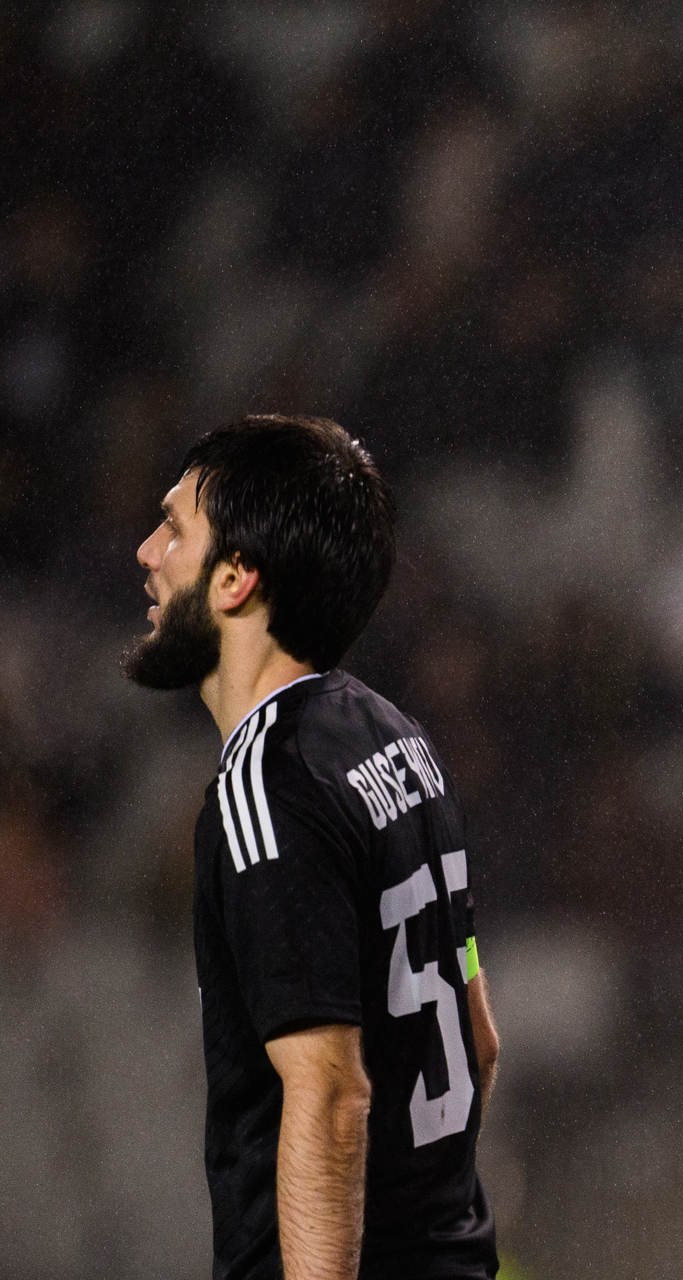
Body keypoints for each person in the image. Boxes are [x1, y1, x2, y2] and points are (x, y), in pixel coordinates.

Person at [124, 415, 500, 1280]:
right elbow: (476, 1030)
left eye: (175, 527)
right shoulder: (397, 740)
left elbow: (329, 1094)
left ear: (235, 578)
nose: (147, 552)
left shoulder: (268, 783)